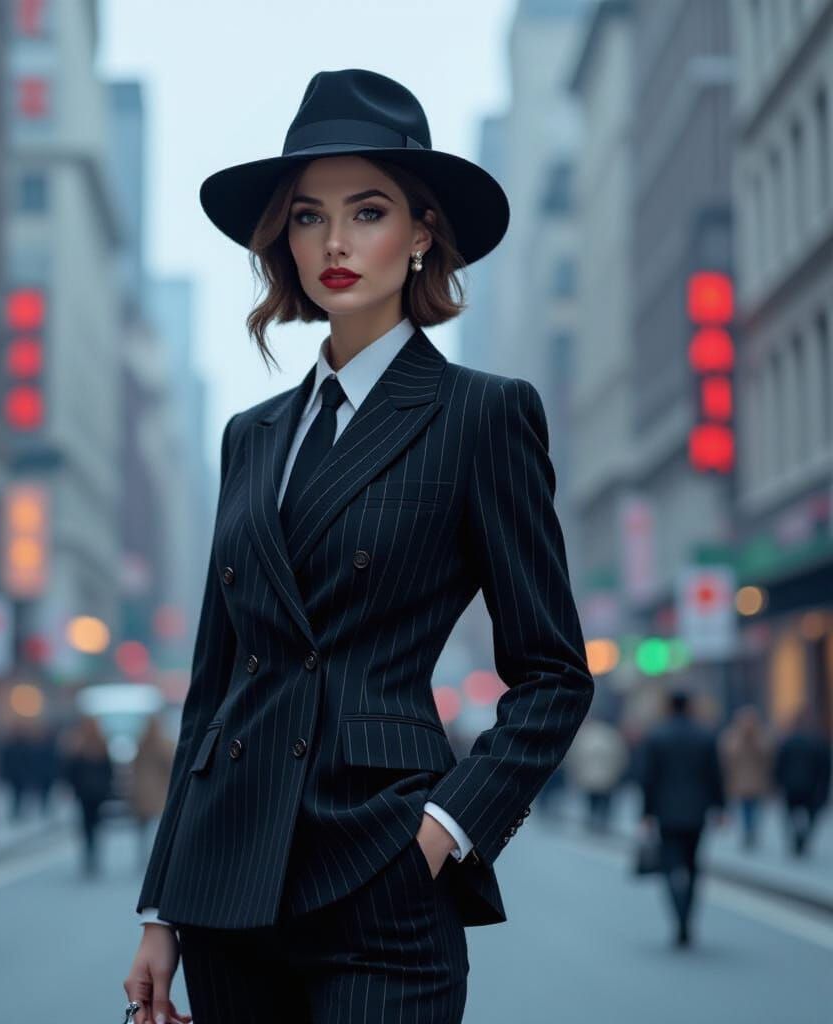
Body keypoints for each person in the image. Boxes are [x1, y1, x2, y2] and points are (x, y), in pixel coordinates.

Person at [123, 69, 594, 1024]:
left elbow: (553, 673)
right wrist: (163, 905)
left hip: (381, 878)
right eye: (307, 217)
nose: (334, 243)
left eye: (367, 211)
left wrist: (445, 830)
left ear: (422, 231)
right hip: (229, 886)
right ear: (283, 240)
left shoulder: (481, 415)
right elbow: (216, 683)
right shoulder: (251, 435)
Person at [638, 688, 726, 949]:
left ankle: (679, 918)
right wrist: (720, 807)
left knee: (669, 866)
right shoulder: (705, 735)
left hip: (666, 813)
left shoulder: (656, 736)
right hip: (697, 811)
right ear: (689, 706)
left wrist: (646, 813)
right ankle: (688, 916)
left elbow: (648, 779)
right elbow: (715, 775)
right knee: (693, 864)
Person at [773, 708, 832, 858]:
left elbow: (779, 764)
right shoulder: (820, 741)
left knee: (791, 814)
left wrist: (777, 783)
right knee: (812, 815)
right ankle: (804, 837)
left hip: (791, 785)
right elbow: (825, 767)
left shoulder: (788, 741)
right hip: (813, 787)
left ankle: (797, 838)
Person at [61, 715, 114, 877]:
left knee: (88, 824)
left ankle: (90, 853)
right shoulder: (96, 745)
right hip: (93, 792)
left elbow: (70, 771)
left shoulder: (80, 745)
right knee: (94, 824)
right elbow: (108, 770)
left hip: (87, 792)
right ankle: (92, 853)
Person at [718, 704, 773, 850]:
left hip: (757, 781)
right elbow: (727, 757)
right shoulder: (732, 736)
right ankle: (748, 832)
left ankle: (752, 832)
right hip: (739, 781)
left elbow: (768, 756)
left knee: (755, 809)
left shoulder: (761, 735)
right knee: (744, 809)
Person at [565, 717, 629, 833]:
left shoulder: (587, 735)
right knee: (604, 800)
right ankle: (601, 821)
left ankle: (592, 820)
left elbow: (577, 756)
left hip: (590, 776)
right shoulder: (613, 736)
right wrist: (617, 774)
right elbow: (621, 758)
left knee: (592, 800)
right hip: (607, 777)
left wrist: (577, 773)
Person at [129, 716, 175, 869]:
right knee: (155, 827)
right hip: (158, 792)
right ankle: (155, 856)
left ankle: (147, 856)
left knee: (145, 828)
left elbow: (134, 768)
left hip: (144, 792)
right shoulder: (164, 745)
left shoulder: (142, 744)